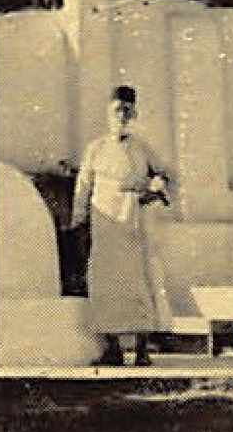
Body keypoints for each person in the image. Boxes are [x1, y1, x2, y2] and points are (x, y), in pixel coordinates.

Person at [68, 85, 171, 367]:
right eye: (117, 110)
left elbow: (165, 175)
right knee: (105, 283)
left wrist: (153, 190)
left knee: (138, 282)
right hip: (105, 226)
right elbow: (83, 187)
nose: (122, 115)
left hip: (134, 226)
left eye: (128, 110)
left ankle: (141, 350)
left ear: (134, 113)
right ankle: (112, 348)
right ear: (108, 113)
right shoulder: (96, 149)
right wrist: (79, 221)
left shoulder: (142, 148)